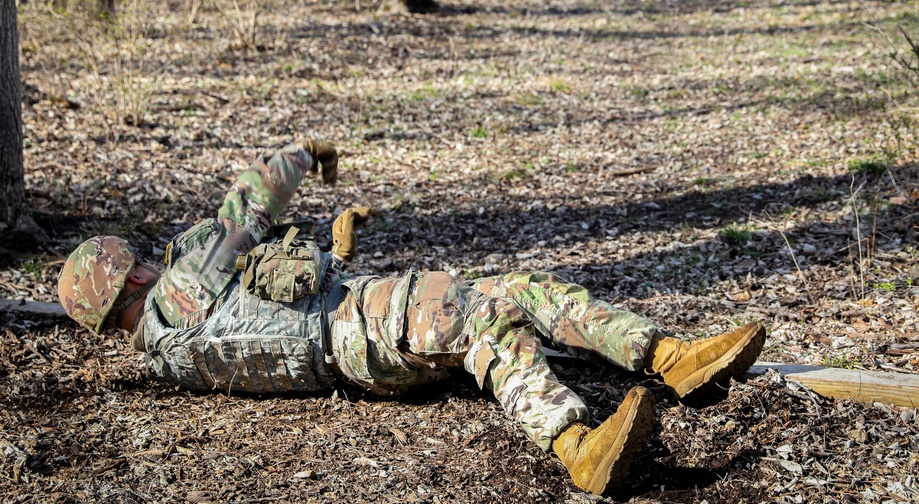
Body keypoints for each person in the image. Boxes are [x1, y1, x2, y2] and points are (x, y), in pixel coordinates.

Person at [58, 141, 766, 496]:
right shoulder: (181, 286)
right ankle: (575, 444)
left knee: (521, 287)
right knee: (485, 316)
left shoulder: (162, 350)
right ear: (133, 275)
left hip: (349, 346)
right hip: (359, 326)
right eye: (138, 263)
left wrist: (331, 249)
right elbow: (252, 204)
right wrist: (305, 152)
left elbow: (264, 317)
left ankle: (669, 355)